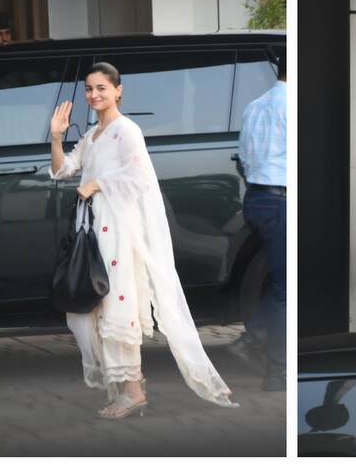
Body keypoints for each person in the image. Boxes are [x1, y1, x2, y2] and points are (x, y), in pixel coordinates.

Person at [49, 62, 238, 418]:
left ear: (118, 90)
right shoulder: (92, 137)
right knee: (88, 310)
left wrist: (98, 184)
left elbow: (140, 176)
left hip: (119, 233)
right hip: (93, 233)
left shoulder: (126, 130)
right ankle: (126, 388)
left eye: (102, 87)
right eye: (89, 89)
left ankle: (132, 392)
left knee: (117, 307)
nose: (94, 95)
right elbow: (62, 171)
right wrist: (57, 137)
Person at [230, 53, 287, 391]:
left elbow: (244, 158)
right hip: (281, 200)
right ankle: (274, 370)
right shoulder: (293, 107)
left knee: (284, 286)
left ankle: (256, 340)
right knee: (286, 291)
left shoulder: (255, 105)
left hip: (256, 198)